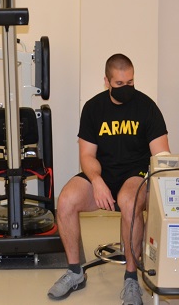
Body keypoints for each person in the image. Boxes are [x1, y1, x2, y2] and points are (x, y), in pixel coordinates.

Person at [48, 54, 170, 305]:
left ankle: (131, 279)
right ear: (106, 81)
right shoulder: (93, 108)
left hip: (135, 175)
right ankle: (74, 272)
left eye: (131, 82)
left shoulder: (147, 107)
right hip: (102, 174)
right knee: (66, 199)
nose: (127, 89)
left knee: (128, 200)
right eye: (120, 84)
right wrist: (97, 180)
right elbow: (87, 155)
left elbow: (162, 155)